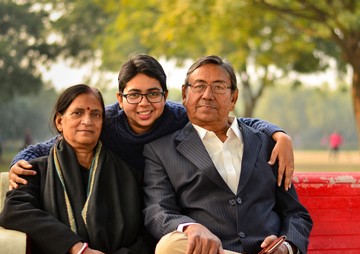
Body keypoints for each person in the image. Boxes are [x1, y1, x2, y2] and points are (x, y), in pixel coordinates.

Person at [8, 54, 294, 190]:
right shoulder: (105, 121)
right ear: (120, 99)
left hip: (168, 197)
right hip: (118, 201)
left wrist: (279, 134)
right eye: (134, 95)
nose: (144, 104)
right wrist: (19, 161)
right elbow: (51, 145)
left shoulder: (178, 116)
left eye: (153, 94)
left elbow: (235, 121)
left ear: (166, 95)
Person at [143, 55, 313, 254]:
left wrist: (287, 247)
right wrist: (191, 228)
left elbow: (296, 213)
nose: (207, 95)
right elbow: (158, 211)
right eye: (199, 86)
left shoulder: (267, 144)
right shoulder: (160, 151)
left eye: (219, 87)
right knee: (169, 247)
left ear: (233, 98)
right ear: (184, 94)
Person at [0, 84, 153, 254]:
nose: (87, 121)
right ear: (59, 122)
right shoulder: (35, 171)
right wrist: (79, 249)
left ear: (102, 123)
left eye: (95, 114)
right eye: (77, 113)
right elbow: (13, 211)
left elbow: (144, 235)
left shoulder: (129, 176)